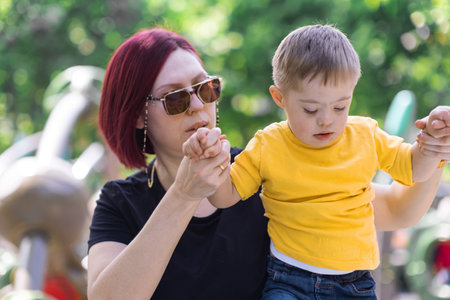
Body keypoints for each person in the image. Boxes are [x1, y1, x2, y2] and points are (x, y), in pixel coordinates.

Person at [86, 26, 450, 300]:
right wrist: (183, 194)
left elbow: (398, 210)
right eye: (175, 99)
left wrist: (434, 150)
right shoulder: (119, 202)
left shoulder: (260, 164)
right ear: (137, 115)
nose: (198, 105)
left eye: (205, 88)